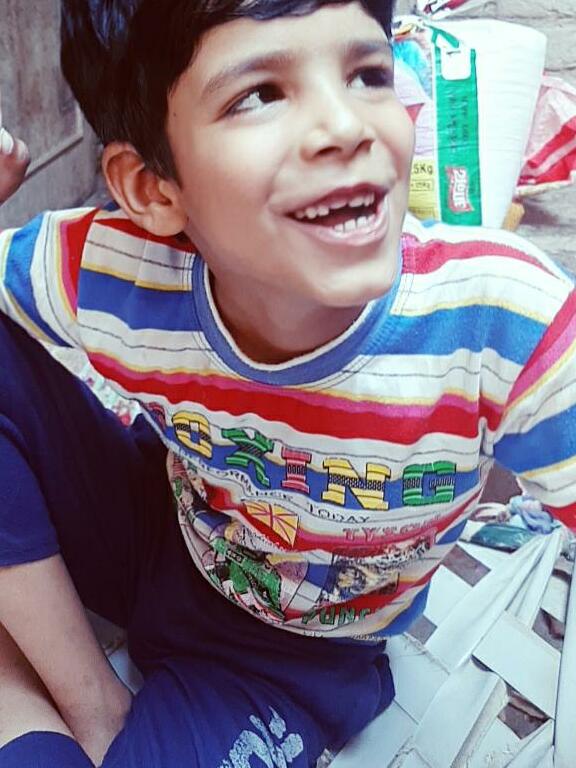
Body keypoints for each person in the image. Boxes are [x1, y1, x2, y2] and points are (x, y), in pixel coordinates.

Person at [0, 0, 575, 766]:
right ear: (153, 189)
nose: (345, 125)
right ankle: (92, 706)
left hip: (286, 657)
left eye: (367, 73)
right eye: (260, 94)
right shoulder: (112, 269)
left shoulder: (506, 326)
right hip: (152, 528)